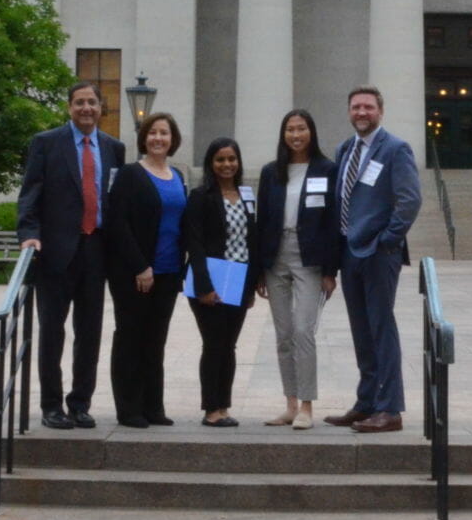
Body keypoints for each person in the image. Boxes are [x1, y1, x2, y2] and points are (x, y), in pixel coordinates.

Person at [17, 81, 127, 430]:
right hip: (55, 252)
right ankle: (51, 406)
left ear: (100, 108)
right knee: (52, 332)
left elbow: (116, 200)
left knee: (90, 332)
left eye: (92, 102)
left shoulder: (114, 148)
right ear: (69, 107)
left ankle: (80, 403)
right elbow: (29, 195)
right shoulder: (46, 143)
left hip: (97, 250)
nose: (86, 108)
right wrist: (29, 235)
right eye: (79, 102)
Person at [325, 85, 422, 434]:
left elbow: (409, 200)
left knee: (381, 328)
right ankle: (366, 402)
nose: (361, 113)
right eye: (355, 107)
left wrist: (387, 241)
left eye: (367, 107)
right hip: (349, 252)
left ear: (380, 111)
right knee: (361, 331)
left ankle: (390, 409)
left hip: (379, 254)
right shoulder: (345, 149)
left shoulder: (395, 149)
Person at [253, 109, 340, 430]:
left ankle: (307, 405)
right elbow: (262, 221)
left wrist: (331, 270)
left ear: (311, 132)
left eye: (301, 128)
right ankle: (290, 403)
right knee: (284, 334)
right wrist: (260, 269)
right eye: (290, 129)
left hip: (311, 257)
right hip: (276, 257)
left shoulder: (327, 169)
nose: (295, 135)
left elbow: (333, 222)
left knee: (304, 331)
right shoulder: (271, 172)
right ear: (283, 134)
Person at [105, 111, 187, 428]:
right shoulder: (129, 174)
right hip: (135, 273)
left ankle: (154, 406)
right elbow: (118, 224)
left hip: (168, 273)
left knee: (155, 341)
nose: (158, 138)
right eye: (153, 133)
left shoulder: (177, 176)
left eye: (164, 133)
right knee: (130, 338)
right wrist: (140, 265)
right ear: (144, 138)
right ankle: (129, 408)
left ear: (173, 139)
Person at [181, 136, 257, 427]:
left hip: (238, 278)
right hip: (210, 278)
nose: (227, 165)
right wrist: (204, 285)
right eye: (220, 160)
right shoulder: (201, 196)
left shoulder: (247, 194)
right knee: (214, 343)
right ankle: (211, 409)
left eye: (232, 159)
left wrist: (251, 285)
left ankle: (224, 406)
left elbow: (253, 240)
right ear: (211, 164)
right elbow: (195, 243)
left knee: (229, 345)